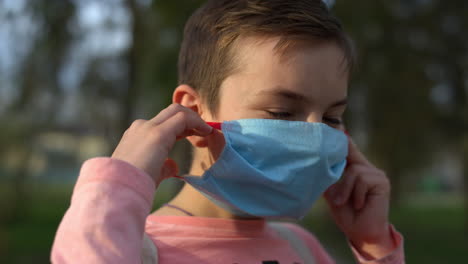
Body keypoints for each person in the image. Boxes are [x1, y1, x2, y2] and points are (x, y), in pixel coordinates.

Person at [51, 0, 405, 263]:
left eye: (332, 118)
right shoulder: (139, 251)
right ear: (193, 112)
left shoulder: (303, 248)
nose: (315, 140)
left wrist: (373, 243)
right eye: (282, 112)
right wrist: (119, 184)